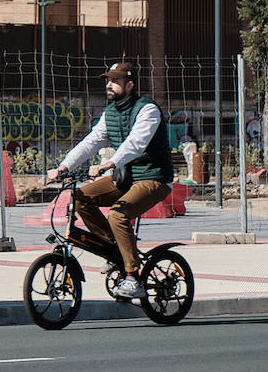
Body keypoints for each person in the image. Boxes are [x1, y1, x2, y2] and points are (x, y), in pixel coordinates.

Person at [46, 61, 173, 298]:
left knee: (117, 214)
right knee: (81, 197)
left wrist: (109, 163)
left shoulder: (148, 110)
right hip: (124, 178)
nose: (109, 84)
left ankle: (133, 278)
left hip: (153, 178)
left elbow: (136, 144)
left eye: (115, 81)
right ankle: (115, 250)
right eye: (108, 80)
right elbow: (91, 141)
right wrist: (63, 166)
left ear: (130, 85)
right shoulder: (111, 113)